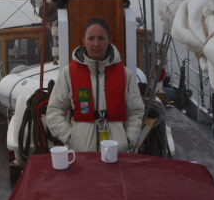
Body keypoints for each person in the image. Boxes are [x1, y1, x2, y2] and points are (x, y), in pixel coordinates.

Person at [45, 18, 145, 153]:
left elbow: (136, 111)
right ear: (83, 40)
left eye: (101, 38)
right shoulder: (68, 73)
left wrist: (128, 140)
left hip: (116, 151)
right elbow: (54, 110)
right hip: (80, 151)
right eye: (91, 38)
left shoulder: (125, 75)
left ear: (109, 39)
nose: (96, 43)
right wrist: (69, 136)